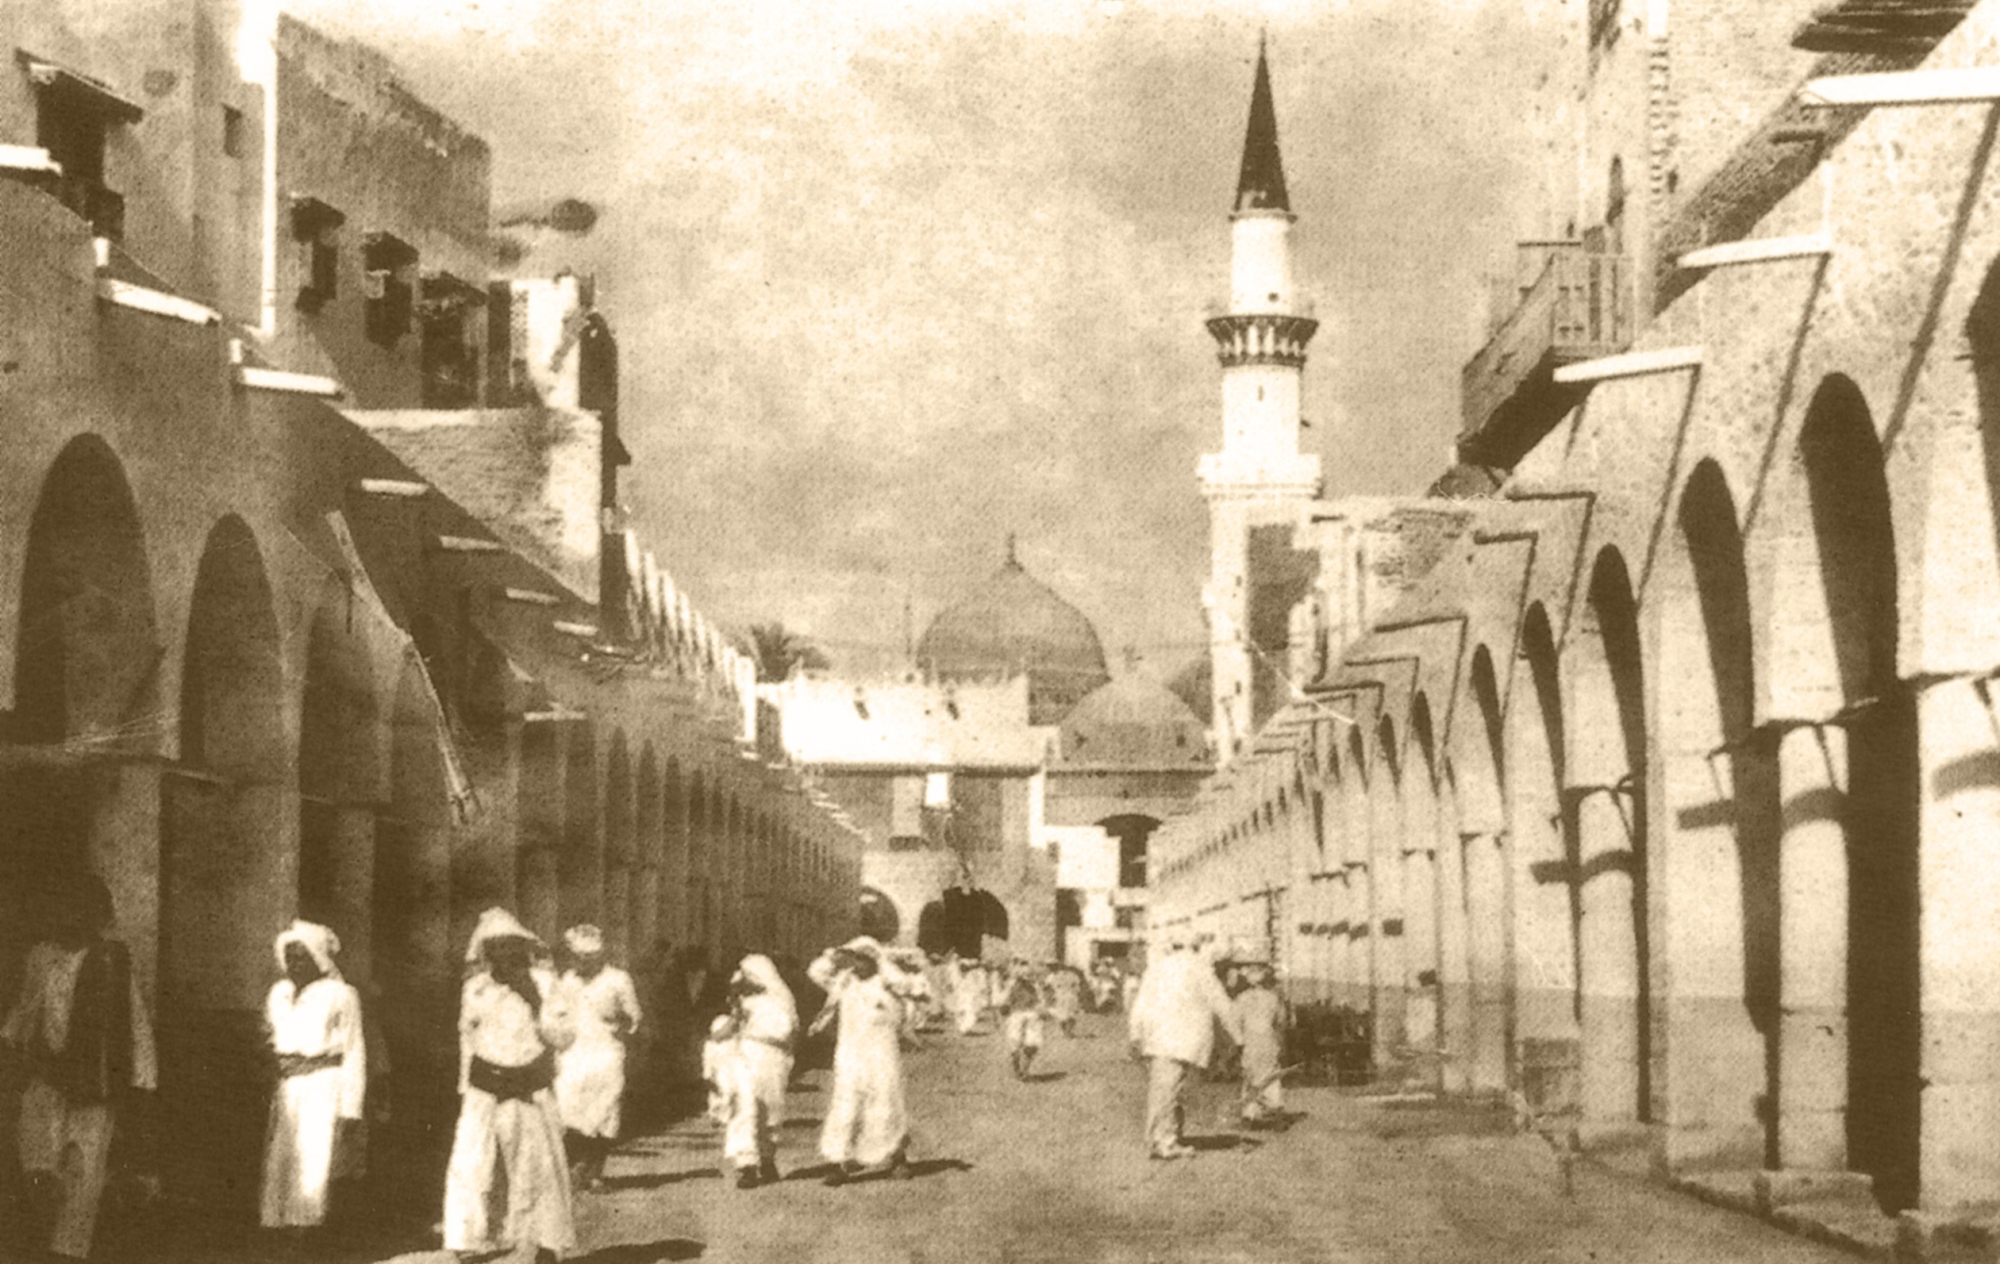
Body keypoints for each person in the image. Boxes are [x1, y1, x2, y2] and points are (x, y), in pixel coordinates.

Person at [1, 874, 155, 1261]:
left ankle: (67, 1253)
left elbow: (135, 1024)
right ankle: (39, 1239)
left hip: (95, 1084)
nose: (75, 917)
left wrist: (143, 1083)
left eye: (86, 911)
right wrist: (10, 1042)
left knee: (84, 1175)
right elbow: (26, 1010)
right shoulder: (41, 957)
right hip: (48, 1079)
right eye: (68, 908)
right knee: (38, 1164)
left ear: (98, 916)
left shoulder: (110, 960)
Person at [442, 908, 575, 1263]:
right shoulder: (476, 988)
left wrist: (534, 1000)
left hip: (529, 1087)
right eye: (494, 947)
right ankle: (465, 1239)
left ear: (522, 947)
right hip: (484, 1087)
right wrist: (465, 1088)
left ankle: (547, 1242)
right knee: (470, 1162)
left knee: (540, 1165)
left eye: (509, 946)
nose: (503, 955)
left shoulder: (546, 984)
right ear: (486, 951)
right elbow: (467, 1039)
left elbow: (563, 1037)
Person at [259, 921, 366, 1236]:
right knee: (281, 1154)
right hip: (287, 1086)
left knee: (312, 1157)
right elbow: (268, 1036)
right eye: (289, 956)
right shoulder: (279, 993)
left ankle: (303, 1229)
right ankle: (276, 1224)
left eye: (301, 956)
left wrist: (350, 1109)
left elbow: (354, 1051)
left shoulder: (341, 995)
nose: (294, 963)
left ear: (318, 958)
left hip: (323, 1084)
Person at [808, 938, 913, 1184]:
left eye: (864, 959)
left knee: (886, 1104)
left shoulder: (887, 983)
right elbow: (815, 972)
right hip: (849, 1054)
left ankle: (897, 1159)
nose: (858, 964)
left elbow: (907, 986)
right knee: (845, 1107)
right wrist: (833, 954)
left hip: (882, 1054)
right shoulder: (844, 982)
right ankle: (837, 1163)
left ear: (875, 961)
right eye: (855, 958)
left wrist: (884, 962)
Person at [1127, 938, 1240, 1161]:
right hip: (1186, 1039)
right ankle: (1166, 1142)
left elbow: (1141, 1003)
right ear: (1195, 947)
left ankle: (1162, 1138)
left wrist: (1135, 1034)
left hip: (1159, 1037)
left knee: (1163, 1090)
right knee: (1170, 1091)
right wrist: (1238, 1036)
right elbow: (1220, 1003)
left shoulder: (1158, 967)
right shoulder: (1200, 968)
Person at [552, 924, 641, 1192]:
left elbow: (634, 1017)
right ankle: (576, 1166)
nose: (583, 961)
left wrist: (622, 1022)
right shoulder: (566, 981)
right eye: (579, 956)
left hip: (606, 1052)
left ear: (599, 955)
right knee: (569, 1111)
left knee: (604, 1112)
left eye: (589, 956)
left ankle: (595, 1173)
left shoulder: (618, 979)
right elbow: (556, 1015)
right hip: (573, 1054)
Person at [719, 955, 797, 1188]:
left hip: (772, 1059)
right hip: (745, 1055)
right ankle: (746, 1166)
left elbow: (788, 1032)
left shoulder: (781, 998)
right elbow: (731, 1027)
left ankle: (767, 1159)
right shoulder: (742, 1001)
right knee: (743, 1106)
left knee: (769, 1110)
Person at [1232, 961, 1289, 1127]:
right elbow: (1281, 1021)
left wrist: (1238, 1041)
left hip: (1250, 1040)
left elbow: (1234, 1021)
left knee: (1250, 1075)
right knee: (1270, 1073)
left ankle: (1249, 1113)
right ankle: (1275, 1107)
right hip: (1267, 1039)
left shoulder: (1241, 999)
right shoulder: (1272, 998)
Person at [999, 966, 1047, 1080]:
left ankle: (1024, 1070)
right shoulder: (1011, 986)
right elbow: (1004, 1003)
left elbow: (1041, 1001)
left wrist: (1041, 1011)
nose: (1026, 979)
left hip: (1032, 1014)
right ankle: (1017, 1070)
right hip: (1017, 1014)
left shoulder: (1035, 987)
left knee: (1032, 1044)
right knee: (1015, 1044)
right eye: (1023, 977)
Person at [1045, 963, 1083, 1038]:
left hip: (1060, 997)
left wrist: (1049, 997)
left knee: (1063, 1016)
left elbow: (1047, 988)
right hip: (1070, 997)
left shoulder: (1051, 976)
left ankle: (1067, 1032)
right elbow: (1077, 988)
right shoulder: (1073, 975)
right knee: (1069, 1015)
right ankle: (1067, 1032)